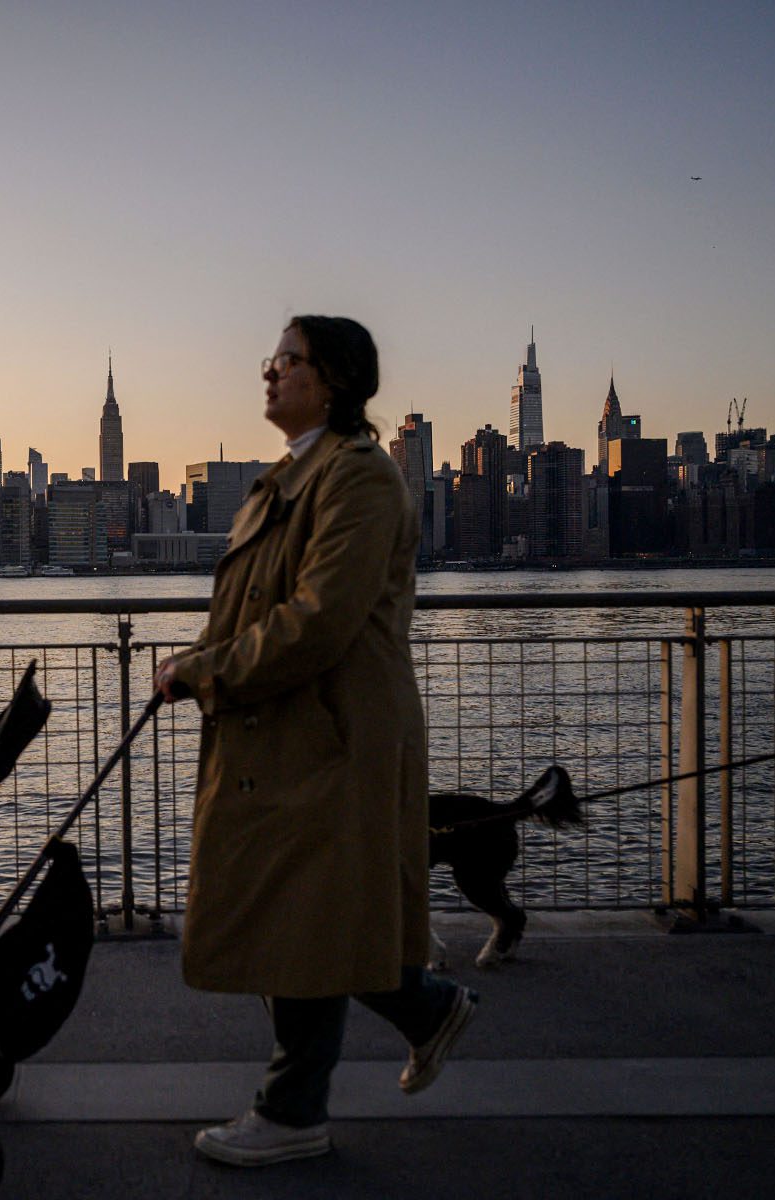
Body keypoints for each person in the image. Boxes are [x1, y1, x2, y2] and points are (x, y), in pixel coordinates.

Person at [154, 315, 476, 1167]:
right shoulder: (283, 480)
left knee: (304, 918)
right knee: (304, 914)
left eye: (288, 362)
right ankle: (425, 1009)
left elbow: (319, 619)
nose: (271, 374)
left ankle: (293, 1113)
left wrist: (208, 671)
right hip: (281, 731)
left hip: (332, 736)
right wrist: (205, 663)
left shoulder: (360, 479)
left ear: (331, 379)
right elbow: (262, 609)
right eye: (272, 360)